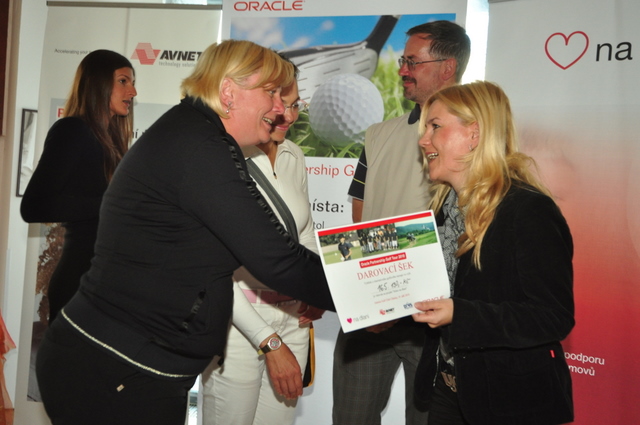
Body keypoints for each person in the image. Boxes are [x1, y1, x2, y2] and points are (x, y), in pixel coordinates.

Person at [35, 40, 334, 425]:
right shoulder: (198, 147)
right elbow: (277, 259)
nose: (280, 108)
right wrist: (364, 294)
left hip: (133, 369)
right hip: (114, 371)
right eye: (271, 93)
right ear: (228, 92)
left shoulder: (201, 136)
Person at [412, 81, 574, 425]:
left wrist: (460, 314)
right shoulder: (442, 210)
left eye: (435, 126)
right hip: (447, 391)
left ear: (474, 134)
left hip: (511, 403)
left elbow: (552, 316)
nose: (423, 140)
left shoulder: (529, 210)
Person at [336, 21, 471, 425]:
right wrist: (377, 292)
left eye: (413, 62)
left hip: (435, 321)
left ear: (447, 67)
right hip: (370, 314)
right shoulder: (378, 134)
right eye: (403, 61)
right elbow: (360, 211)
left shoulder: (473, 141)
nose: (402, 70)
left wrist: (405, 297)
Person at [200, 60, 324, 425]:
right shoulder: (222, 157)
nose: (287, 115)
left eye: (295, 104)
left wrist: (315, 289)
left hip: (294, 320)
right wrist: (267, 340)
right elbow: (214, 268)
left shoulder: (294, 155)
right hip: (238, 324)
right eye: (278, 101)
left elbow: (304, 231)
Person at [20, 49, 137, 324]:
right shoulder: (72, 130)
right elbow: (34, 206)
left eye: (133, 83)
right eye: (123, 81)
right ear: (98, 83)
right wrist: (111, 203)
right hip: (79, 285)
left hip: (105, 283)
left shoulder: (113, 141)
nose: (132, 91)